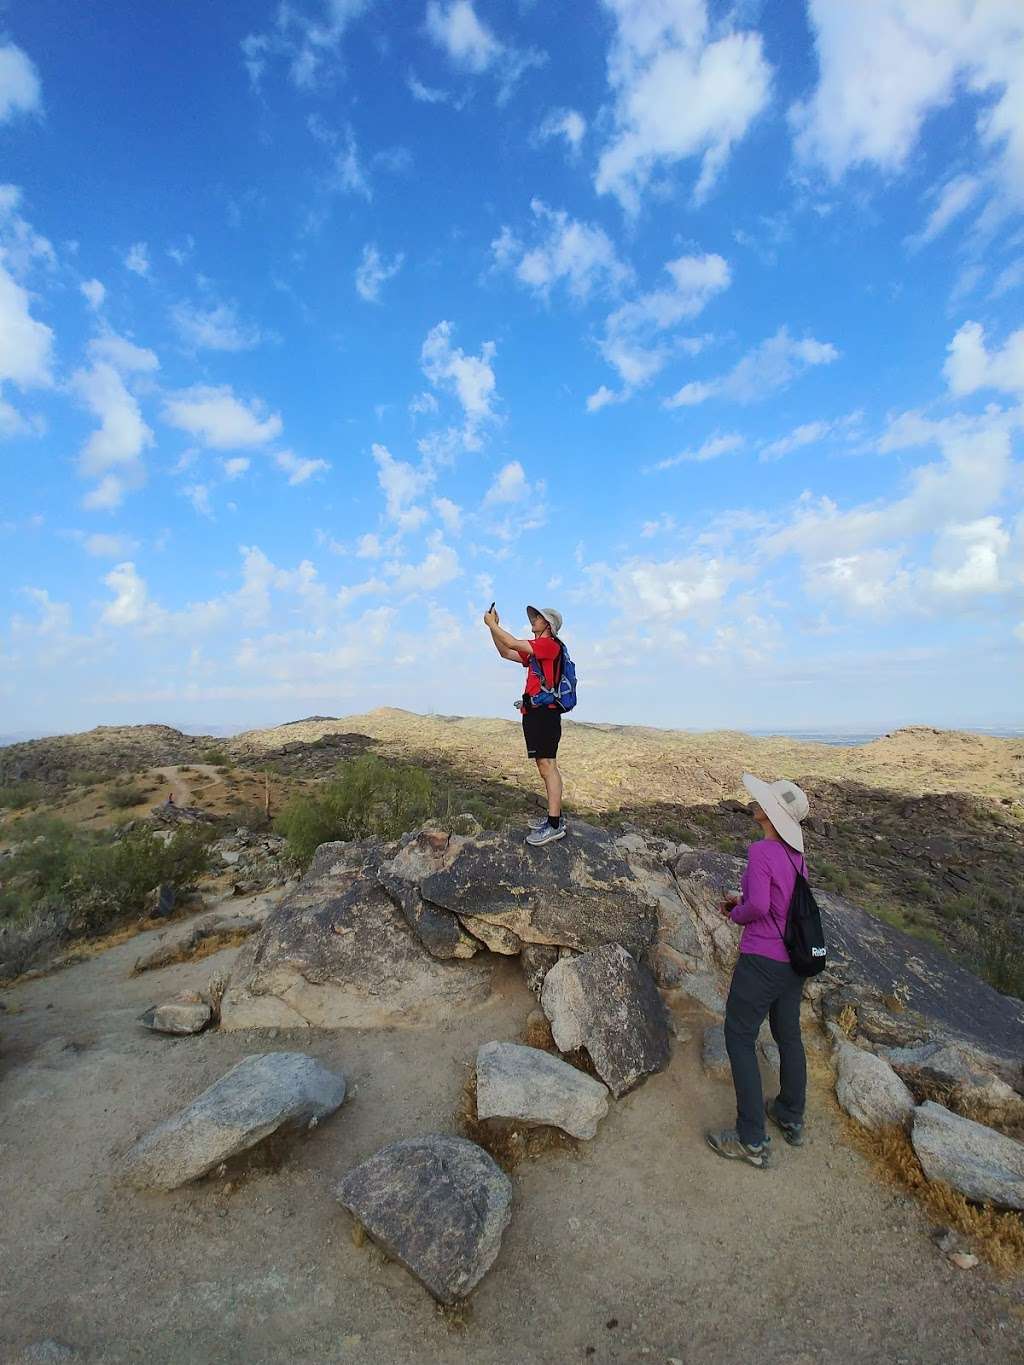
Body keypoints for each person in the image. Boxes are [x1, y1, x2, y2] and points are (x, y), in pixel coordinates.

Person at [705, 773, 811, 1169]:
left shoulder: (762, 851)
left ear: (771, 814)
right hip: (792, 963)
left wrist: (738, 912)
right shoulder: (796, 856)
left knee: (738, 1035)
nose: (754, 802)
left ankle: (751, 1139)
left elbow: (762, 908)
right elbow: (781, 903)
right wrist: (746, 899)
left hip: (763, 960)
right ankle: (790, 1113)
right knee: (789, 1036)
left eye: (761, 801)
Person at [483, 603, 567, 846]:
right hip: (536, 712)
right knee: (545, 765)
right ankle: (554, 819)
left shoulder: (549, 645)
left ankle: (554, 824)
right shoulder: (538, 651)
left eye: (539, 617)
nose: (534, 620)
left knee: (548, 765)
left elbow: (511, 643)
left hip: (545, 713)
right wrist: (494, 628)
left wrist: (491, 624)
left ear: (548, 625)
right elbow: (505, 651)